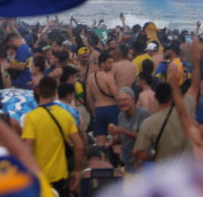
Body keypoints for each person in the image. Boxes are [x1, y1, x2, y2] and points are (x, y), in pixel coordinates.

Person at [134, 30, 200, 167]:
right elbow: (194, 85)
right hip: (181, 95)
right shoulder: (182, 62)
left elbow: (140, 153)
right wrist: (196, 57)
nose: (166, 49)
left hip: (175, 94)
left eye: (169, 48)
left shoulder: (172, 64)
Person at [22, 76, 83, 197]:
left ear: (38, 91)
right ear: (55, 93)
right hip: (60, 178)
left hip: (39, 179)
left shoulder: (31, 117)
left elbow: (27, 149)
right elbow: (79, 145)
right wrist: (76, 171)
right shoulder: (66, 115)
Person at [108, 87, 148, 174]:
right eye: (119, 100)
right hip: (129, 166)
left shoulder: (143, 113)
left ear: (133, 99)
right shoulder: (120, 116)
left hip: (143, 166)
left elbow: (144, 138)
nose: (122, 103)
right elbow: (125, 138)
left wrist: (122, 130)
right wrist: (114, 142)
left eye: (125, 99)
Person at [86, 53, 119, 146]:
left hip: (99, 110)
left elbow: (89, 98)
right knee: (117, 142)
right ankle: (117, 160)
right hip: (112, 109)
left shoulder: (90, 77)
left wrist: (94, 112)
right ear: (102, 63)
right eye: (109, 62)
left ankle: (100, 159)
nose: (112, 65)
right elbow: (117, 96)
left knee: (100, 144)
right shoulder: (109, 77)